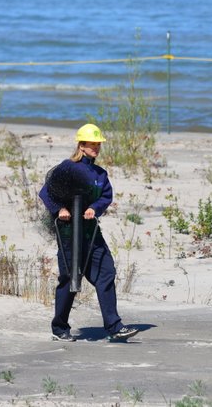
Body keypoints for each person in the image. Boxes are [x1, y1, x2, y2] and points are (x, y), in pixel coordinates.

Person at [38, 123, 138, 342]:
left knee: (106, 273)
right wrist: (60, 210)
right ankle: (59, 328)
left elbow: (105, 196)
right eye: (92, 144)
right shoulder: (67, 167)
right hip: (68, 233)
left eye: (98, 144)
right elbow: (45, 192)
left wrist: (95, 208)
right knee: (70, 279)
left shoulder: (100, 174)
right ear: (81, 145)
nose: (96, 148)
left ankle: (114, 326)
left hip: (91, 232)